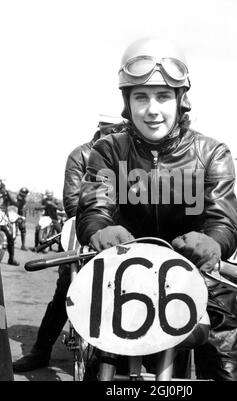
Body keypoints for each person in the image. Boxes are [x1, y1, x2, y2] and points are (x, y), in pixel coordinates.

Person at [75, 37, 237, 381]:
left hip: (198, 274)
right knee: (102, 366)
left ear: (181, 100)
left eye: (163, 96)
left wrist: (212, 241)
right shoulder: (107, 149)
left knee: (224, 362)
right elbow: (95, 206)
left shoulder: (212, 152)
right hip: (124, 271)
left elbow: (223, 220)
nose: (152, 109)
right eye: (141, 96)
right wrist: (98, 228)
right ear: (127, 102)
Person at [12, 117, 125, 373]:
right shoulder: (82, 154)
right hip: (87, 231)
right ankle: (41, 351)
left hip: (122, 237)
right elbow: (74, 201)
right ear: (101, 131)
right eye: (114, 131)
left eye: (122, 131)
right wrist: (98, 226)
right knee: (67, 288)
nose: (119, 135)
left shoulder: (129, 154)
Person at [0, 180, 19, 266]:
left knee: (10, 238)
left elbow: (15, 203)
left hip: (2, 219)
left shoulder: (5, 195)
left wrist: (7, 193)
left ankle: (11, 258)